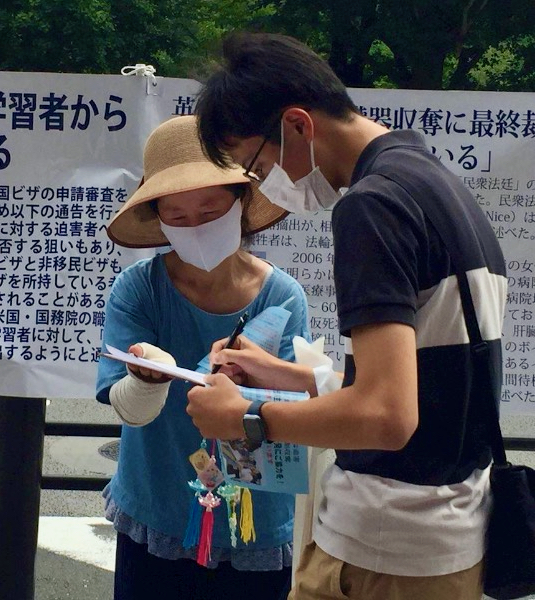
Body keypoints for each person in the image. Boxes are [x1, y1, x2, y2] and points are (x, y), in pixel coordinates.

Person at [188, 32, 507, 600]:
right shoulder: (435, 184)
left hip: (384, 549)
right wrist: (290, 376)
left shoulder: (373, 206)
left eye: (255, 164)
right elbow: (429, 383)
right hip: (448, 537)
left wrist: (245, 416)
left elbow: (387, 416)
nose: (264, 184)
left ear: (297, 125)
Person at [97, 115, 310, 600]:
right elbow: (131, 407)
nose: (194, 226)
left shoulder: (284, 297)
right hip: (158, 509)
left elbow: (301, 404)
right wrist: (148, 376)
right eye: (177, 216)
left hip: (258, 518)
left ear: (241, 204)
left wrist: (252, 392)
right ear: (158, 218)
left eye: (210, 210)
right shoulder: (138, 289)